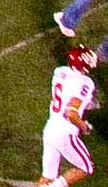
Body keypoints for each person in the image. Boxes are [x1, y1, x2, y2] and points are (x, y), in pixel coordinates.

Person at [39, 42, 98, 187]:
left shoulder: (60, 71)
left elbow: (69, 96)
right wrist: (84, 127)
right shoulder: (85, 82)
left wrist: (87, 103)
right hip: (65, 133)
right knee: (86, 167)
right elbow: (71, 113)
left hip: (50, 128)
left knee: (47, 176)